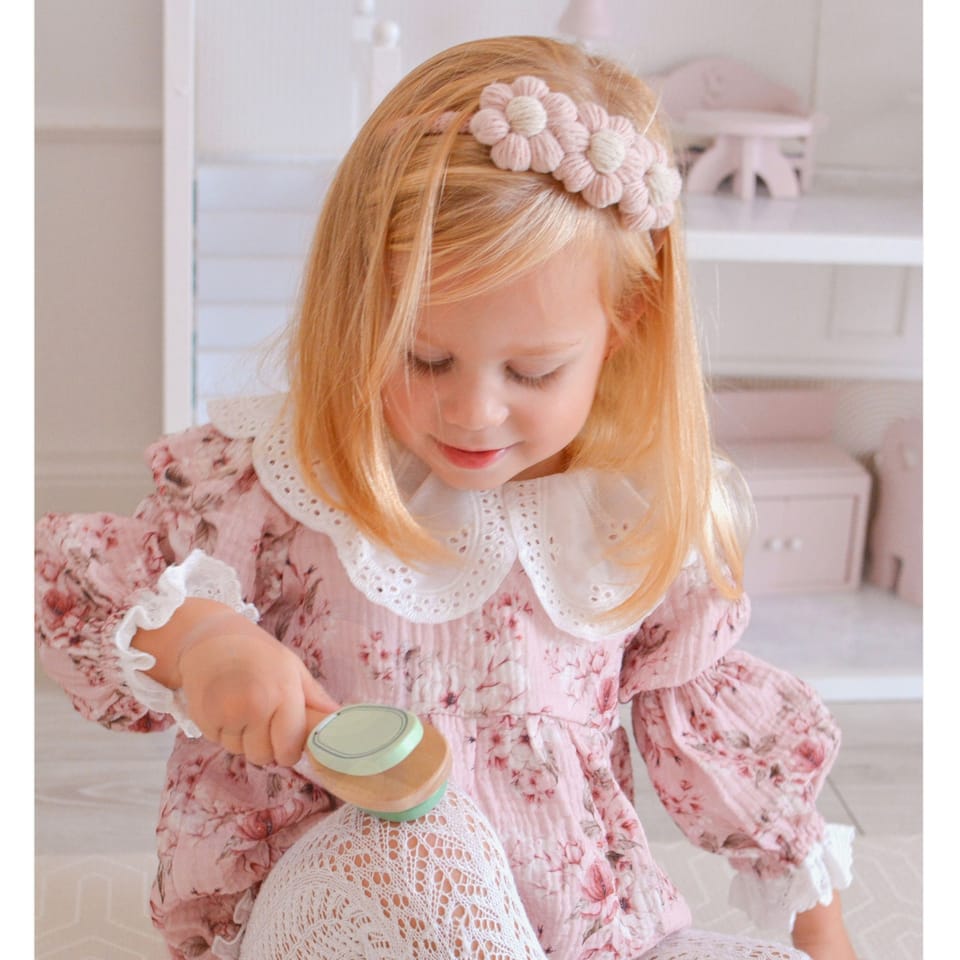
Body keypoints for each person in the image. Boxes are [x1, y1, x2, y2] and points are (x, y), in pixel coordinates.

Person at [35, 35, 858, 960]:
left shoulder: (632, 519)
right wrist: (198, 642)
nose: (473, 411)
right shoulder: (276, 484)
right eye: (424, 358)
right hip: (341, 920)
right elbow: (80, 589)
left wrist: (823, 939)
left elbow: (741, 776)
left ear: (623, 326)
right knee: (425, 855)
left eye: (532, 371)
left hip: (577, 938)